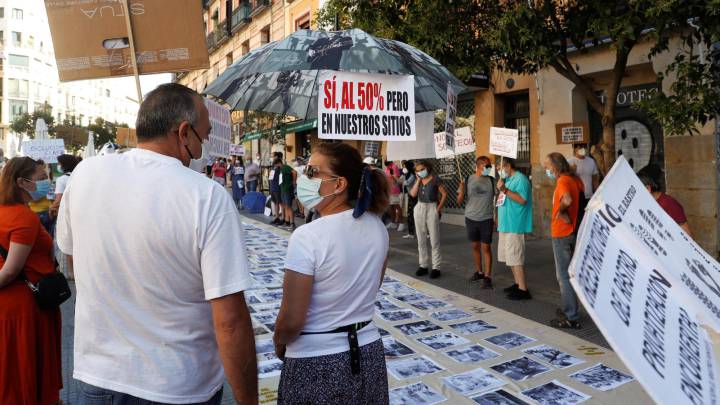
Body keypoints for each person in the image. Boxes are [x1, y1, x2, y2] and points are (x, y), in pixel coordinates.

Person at [55, 83, 258, 404]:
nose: (202, 151)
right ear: (184, 133)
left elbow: (72, 260)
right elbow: (231, 322)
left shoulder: (84, 175)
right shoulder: (206, 196)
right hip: (178, 386)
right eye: (203, 139)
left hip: (98, 377)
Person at [274, 142, 390, 404]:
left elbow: (292, 319)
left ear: (339, 185)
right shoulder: (377, 226)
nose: (305, 178)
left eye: (313, 172)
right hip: (368, 353)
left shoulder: (307, 236)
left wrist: (280, 341)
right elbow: (373, 286)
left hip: (317, 361)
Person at [0, 157, 63, 405]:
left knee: (10, 371)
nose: (46, 183)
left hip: (11, 305)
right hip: (26, 306)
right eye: (40, 178)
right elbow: (10, 270)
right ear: (21, 182)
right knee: (24, 371)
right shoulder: (23, 218)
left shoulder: (5, 212)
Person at [545, 153, 583, 329]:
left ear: (556, 166)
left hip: (562, 232)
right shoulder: (575, 179)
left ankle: (571, 315)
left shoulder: (562, 181)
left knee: (563, 276)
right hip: (573, 231)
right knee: (570, 274)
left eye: (548, 166)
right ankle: (571, 309)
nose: (547, 170)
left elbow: (567, 200)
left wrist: (561, 211)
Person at [496, 158, 533, 300]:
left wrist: (504, 190)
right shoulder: (508, 180)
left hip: (515, 224)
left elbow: (522, 200)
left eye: (501, 167)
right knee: (509, 256)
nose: (499, 171)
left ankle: (523, 289)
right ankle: (517, 284)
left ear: (508, 166)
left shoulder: (521, 179)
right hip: (506, 224)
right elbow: (503, 199)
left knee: (515, 256)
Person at [457, 156, 496, 289]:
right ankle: (479, 272)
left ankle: (487, 276)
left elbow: (498, 201)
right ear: (479, 166)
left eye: (490, 166)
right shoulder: (468, 180)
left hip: (486, 218)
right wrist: (461, 190)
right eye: (487, 166)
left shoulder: (492, 180)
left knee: (486, 247)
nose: (489, 168)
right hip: (471, 218)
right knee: (475, 246)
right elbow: (459, 201)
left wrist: (496, 217)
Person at [409, 160, 447, 279]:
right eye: (418, 170)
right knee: (421, 239)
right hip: (419, 207)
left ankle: (436, 267)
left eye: (422, 169)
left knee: (434, 239)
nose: (420, 172)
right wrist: (418, 180)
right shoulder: (418, 180)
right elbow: (413, 194)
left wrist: (438, 209)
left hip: (432, 207)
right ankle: (423, 265)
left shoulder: (436, 179)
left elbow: (444, 194)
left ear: (428, 168)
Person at [51, 154, 78, 280]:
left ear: (63, 165)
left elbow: (58, 200)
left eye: (59, 164)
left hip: (65, 214)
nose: (58, 166)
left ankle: (71, 272)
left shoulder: (61, 179)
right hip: (79, 213)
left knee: (66, 243)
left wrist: (51, 208)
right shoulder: (79, 176)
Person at [27, 159, 55, 236]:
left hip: (48, 213)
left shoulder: (48, 181)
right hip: (35, 213)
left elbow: (52, 197)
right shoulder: (27, 183)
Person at [384, 160, 404, 231]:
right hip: (388, 190)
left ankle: (401, 223)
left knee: (397, 207)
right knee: (391, 207)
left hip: (394, 190)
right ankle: (393, 223)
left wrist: (392, 176)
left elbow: (396, 179)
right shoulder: (387, 168)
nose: (385, 160)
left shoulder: (394, 167)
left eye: (386, 158)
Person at [279, 159, 297, 231]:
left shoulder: (286, 167)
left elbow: (294, 172)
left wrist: (294, 182)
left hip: (287, 189)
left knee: (289, 206)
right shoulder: (281, 169)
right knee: (286, 206)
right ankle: (287, 222)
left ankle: (292, 223)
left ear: (279, 163)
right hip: (283, 190)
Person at [402, 160, 417, 239]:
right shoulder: (407, 174)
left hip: (414, 196)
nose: (404, 168)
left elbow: (406, 183)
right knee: (410, 214)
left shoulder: (412, 175)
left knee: (414, 214)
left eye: (405, 166)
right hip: (410, 196)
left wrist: (404, 177)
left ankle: (426, 232)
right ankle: (411, 233)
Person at [270, 159, 284, 225]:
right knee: (276, 203)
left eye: (275, 165)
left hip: (278, 189)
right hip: (273, 188)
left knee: (281, 203)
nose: (275, 166)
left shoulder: (280, 170)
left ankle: (283, 218)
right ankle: (277, 217)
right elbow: (270, 179)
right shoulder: (273, 170)